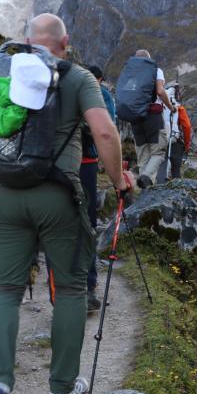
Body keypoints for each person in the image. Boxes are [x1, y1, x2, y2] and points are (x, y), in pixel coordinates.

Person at [0, 13, 135, 394]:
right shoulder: (76, 77)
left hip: (3, 197)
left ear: (25, 41)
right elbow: (105, 132)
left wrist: (1, 171)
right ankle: (62, 388)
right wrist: (119, 180)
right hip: (58, 196)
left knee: (4, 290)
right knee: (72, 289)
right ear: (65, 42)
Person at [79, 64, 117, 311]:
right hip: (86, 164)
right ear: (101, 78)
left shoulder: (61, 85)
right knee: (87, 224)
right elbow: (108, 130)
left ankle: (62, 289)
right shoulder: (101, 94)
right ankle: (88, 287)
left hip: (54, 166)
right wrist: (117, 177)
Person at [126, 48, 173, 189]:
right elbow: (159, 91)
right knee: (158, 152)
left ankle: (144, 191)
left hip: (135, 119)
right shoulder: (155, 70)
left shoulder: (130, 73)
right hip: (152, 117)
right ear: (149, 59)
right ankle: (146, 178)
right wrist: (170, 107)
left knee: (143, 156)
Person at [156, 83, 192, 183]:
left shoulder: (159, 104)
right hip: (175, 140)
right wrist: (187, 144)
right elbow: (187, 127)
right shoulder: (179, 108)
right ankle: (176, 192)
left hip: (159, 139)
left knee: (160, 166)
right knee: (176, 170)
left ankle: (158, 188)